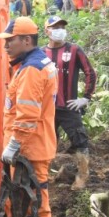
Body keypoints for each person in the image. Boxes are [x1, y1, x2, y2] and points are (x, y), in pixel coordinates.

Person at [0, 17, 57, 217]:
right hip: (30, 145)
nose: (6, 45)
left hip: (30, 147)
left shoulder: (31, 70)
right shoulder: (34, 63)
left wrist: (14, 144)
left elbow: (28, 114)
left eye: (11, 40)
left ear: (27, 40)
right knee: (18, 196)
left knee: (34, 199)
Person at [44, 16, 96, 190]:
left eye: (61, 26)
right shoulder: (40, 53)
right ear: (47, 31)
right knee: (47, 142)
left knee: (80, 140)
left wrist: (86, 98)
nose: (59, 29)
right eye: (54, 26)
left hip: (69, 106)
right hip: (47, 108)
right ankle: (45, 174)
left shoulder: (74, 50)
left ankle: (82, 175)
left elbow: (90, 72)